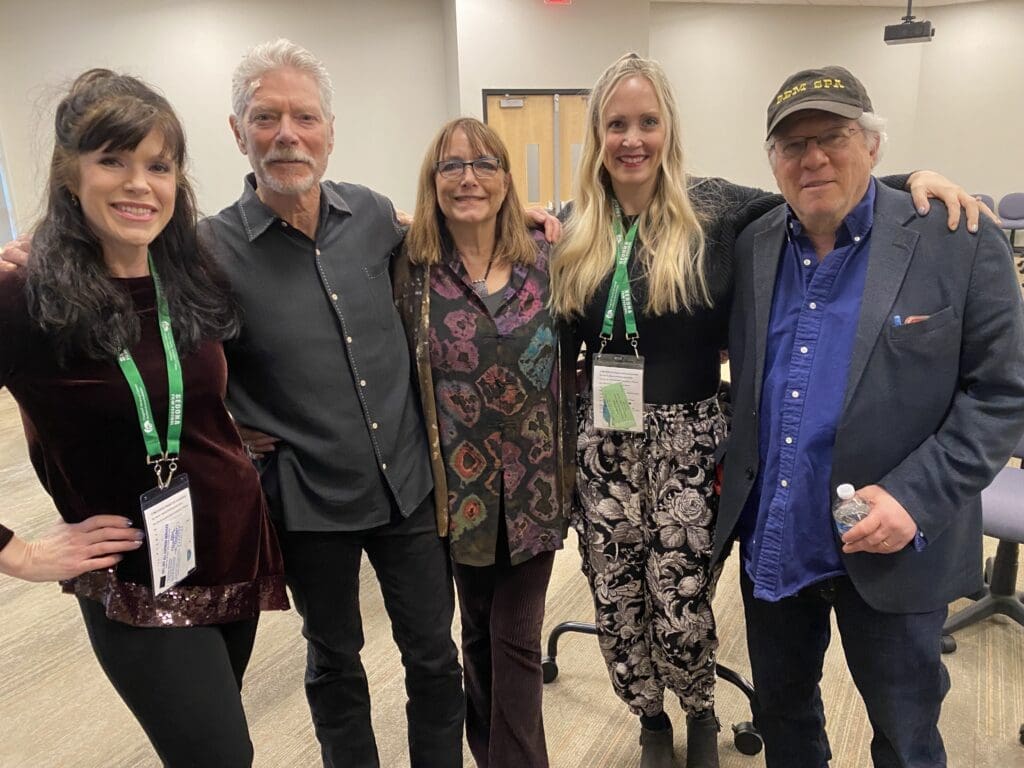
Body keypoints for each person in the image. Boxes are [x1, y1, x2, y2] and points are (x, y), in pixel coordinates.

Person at [549, 52, 990, 768]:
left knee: (682, 604)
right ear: (597, 135)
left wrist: (911, 181)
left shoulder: (721, 212)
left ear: (670, 129)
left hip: (691, 443)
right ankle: (649, 719)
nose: (633, 138)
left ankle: (697, 715)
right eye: (617, 124)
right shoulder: (575, 230)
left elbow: (826, 188)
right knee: (620, 606)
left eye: (648, 122)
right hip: (609, 447)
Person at [714, 65, 1024, 768]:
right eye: (792, 145)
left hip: (892, 543)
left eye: (834, 136)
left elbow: (1002, 393)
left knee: (906, 735)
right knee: (786, 723)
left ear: (874, 145)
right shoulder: (753, 244)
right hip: (779, 537)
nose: (813, 157)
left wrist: (916, 499)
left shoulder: (957, 237)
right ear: (772, 160)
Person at [0, 69, 288, 767]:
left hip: (231, 552)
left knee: (221, 747)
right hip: (134, 579)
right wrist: (19, 552)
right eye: (113, 160)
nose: (139, 183)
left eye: (158, 165)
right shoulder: (25, 295)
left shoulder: (190, 273)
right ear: (72, 175)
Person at [197, 39, 464, 768]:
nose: (288, 134)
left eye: (305, 117)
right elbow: (169, 359)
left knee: (435, 657)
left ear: (330, 130)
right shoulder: (207, 249)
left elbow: (453, 229)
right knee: (335, 661)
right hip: (307, 501)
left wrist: (528, 214)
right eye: (267, 117)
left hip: (406, 486)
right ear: (237, 131)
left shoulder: (373, 216)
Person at [394, 117, 572, 768]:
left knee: (516, 639)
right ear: (432, 181)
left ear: (506, 177)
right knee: (476, 635)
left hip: (536, 488)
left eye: (485, 164)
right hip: (456, 493)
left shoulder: (549, 257)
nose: (468, 177)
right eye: (452, 166)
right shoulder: (410, 267)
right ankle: (490, 750)